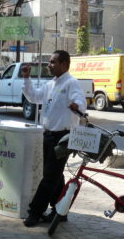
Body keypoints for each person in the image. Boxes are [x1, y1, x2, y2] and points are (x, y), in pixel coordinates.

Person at [21, 50, 87, 227]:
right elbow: (34, 97)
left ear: (64, 64)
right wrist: (26, 79)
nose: (49, 65)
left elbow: (81, 102)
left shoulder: (71, 83)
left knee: (50, 177)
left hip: (63, 137)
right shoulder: (51, 84)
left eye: (53, 62)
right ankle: (60, 210)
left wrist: (76, 106)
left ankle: (34, 212)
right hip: (48, 135)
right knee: (53, 175)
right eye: (50, 62)